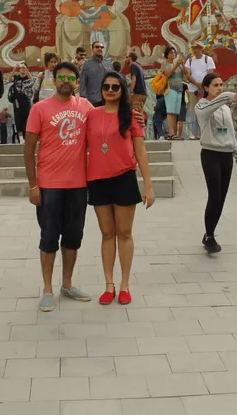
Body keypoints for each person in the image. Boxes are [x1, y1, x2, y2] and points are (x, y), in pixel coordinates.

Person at [24, 62, 94, 312]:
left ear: (77, 81)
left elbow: (106, 125)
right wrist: (33, 185)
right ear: (53, 81)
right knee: (49, 237)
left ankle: (67, 284)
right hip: (49, 185)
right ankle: (47, 289)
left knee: (73, 237)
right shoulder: (39, 109)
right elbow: (29, 149)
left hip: (78, 185)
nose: (66, 81)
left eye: (70, 78)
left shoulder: (86, 107)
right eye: (61, 77)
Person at [86, 71, 155, 305]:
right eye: (106, 86)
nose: (110, 90)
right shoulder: (91, 115)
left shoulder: (131, 116)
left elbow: (141, 151)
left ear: (122, 90)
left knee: (124, 233)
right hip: (97, 179)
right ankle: (109, 285)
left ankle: (124, 284)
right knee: (107, 233)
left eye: (115, 87)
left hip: (124, 177)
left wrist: (148, 185)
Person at [195, 73, 237, 254]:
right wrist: (226, 96)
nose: (219, 88)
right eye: (215, 85)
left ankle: (209, 232)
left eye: (221, 85)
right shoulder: (201, 106)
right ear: (206, 88)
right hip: (210, 154)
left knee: (222, 198)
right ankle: (210, 236)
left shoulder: (225, 109)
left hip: (226, 156)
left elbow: (231, 133)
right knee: (214, 196)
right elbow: (207, 111)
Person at [185, 41, 216, 139]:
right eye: (194, 48)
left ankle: (207, 133)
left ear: (201, 49)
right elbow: (187, 75)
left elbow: (210, 75)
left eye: (197, 48)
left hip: (206, 90)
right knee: (195, 112)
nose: (195, 50)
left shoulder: (208, 59)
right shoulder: (189, 61)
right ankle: (197, 133)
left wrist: (202, 86)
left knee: (206, 111)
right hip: (193, 90)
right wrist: (196, 84)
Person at [160, 46, 188, 140]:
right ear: (167, 54)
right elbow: (168, 74)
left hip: (179, 90)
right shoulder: (165, 63)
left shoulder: (178, 64)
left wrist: (182, 64)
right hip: (170, 89)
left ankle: (174, 134)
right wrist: (176, 65)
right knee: (170, 112)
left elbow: (186, 73)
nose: (173, 54)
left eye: (174, 52)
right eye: (171, 52)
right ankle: (171, 133)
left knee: (175, 113)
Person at [79, 41, 112, 105]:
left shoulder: (108, 64)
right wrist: (84, 101)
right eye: (97, 47)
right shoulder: (87, 65)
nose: (100, 48)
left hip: (107, 99)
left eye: (102, 47)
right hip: (93, 101)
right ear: (92, 49)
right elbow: (83, 84)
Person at [9, 63, 36, 143]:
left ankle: (27, 137)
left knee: (27, 119)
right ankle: (21, 139)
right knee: (18, 119)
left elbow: (32, 80)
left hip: (26, 101)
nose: (23, 69)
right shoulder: (16, 77)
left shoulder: (28, 77)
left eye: (24, 68)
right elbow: (9, 79)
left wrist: (27, 70)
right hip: (17, 101)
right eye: (21, 68)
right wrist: (14, 69)